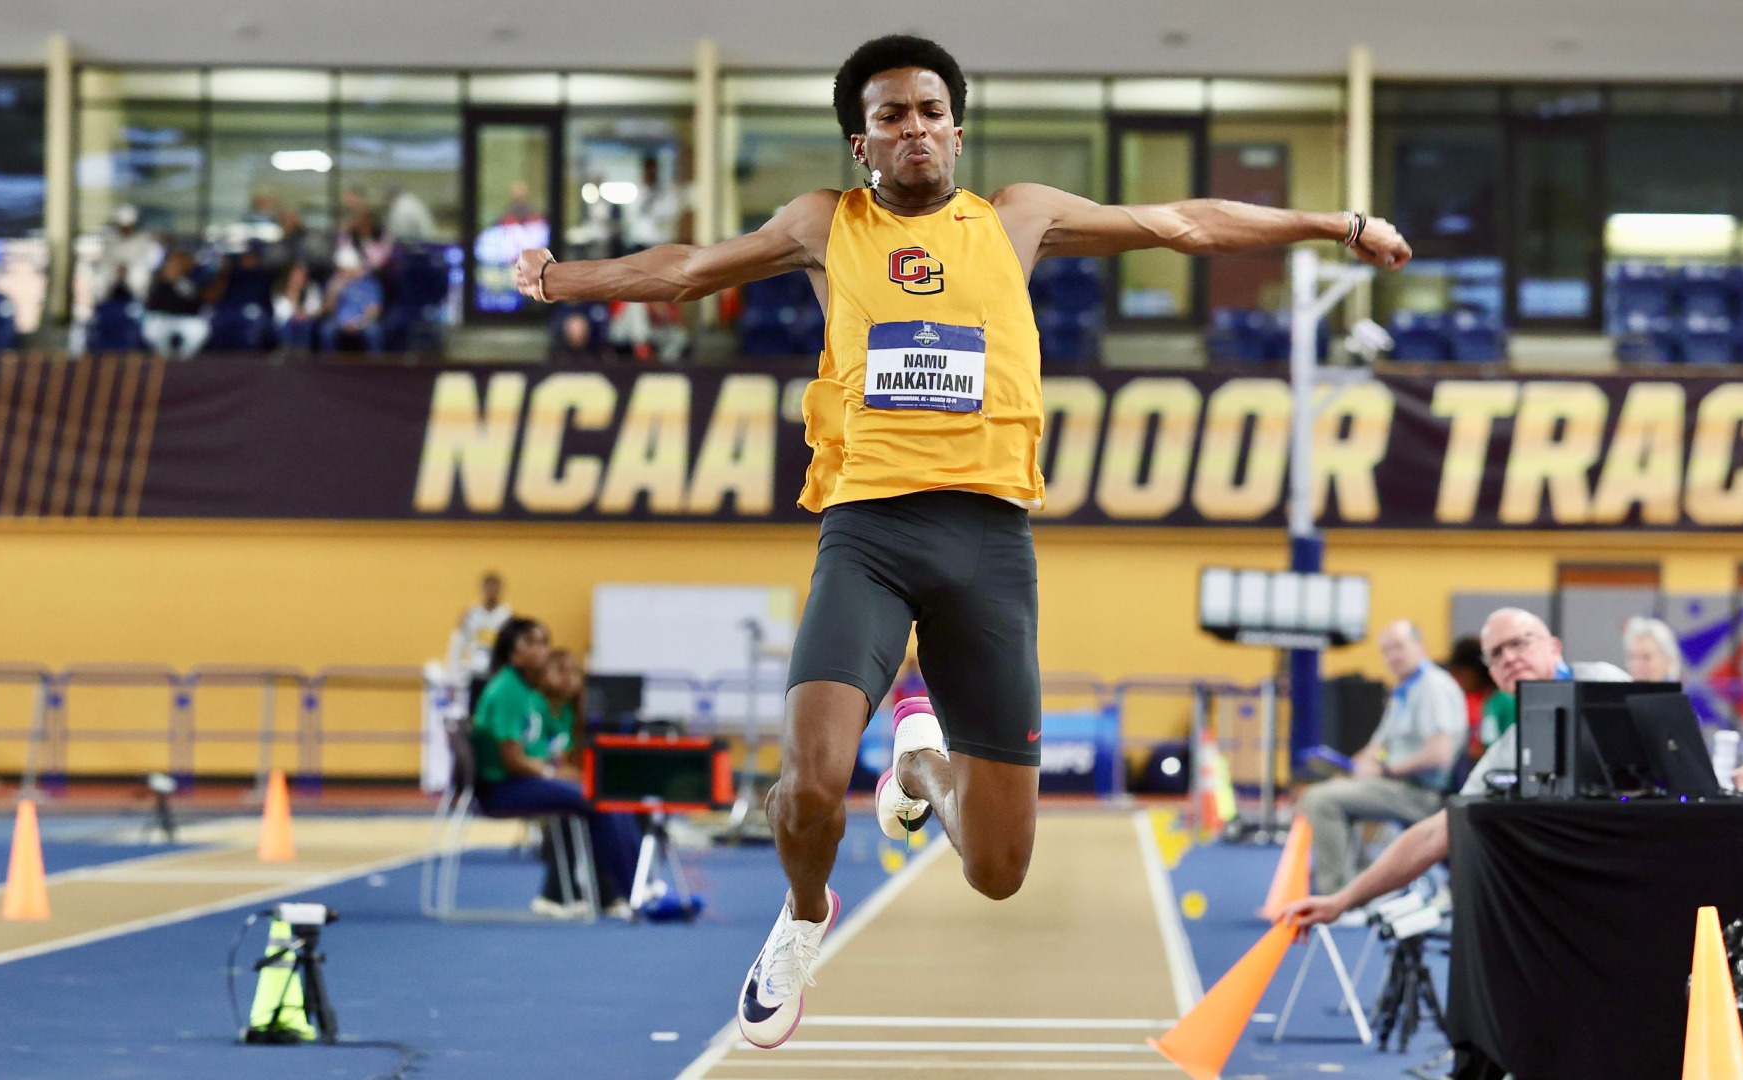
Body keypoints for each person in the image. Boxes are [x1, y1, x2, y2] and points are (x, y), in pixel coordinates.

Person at [512, 33, 1411, 1048]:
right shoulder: (824, 224)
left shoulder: (1020, 217)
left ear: (956, 127)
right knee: (807, 785)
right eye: (892, 116)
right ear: (863, 144)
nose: (914, 128)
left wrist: (1340, 223)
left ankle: (920, 765)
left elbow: (1189, 222)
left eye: (930, 111)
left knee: (996, 869)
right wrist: (560, 279)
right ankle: (805, 917)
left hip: (990, 547)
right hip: (868, 534)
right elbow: (683, 272)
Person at [1280, 608, 1628, 926]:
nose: (1508, 658)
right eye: (1495, 654)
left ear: (1553, 647)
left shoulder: (1603, 681)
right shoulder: (1508, 749)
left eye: (1518, 644)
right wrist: (1343, 900)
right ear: (1491, 672)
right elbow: (1435, 832)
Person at [469, 617, 640, 918]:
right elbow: (512, 758)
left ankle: (630, 888)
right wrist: (553, 774)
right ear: (512, 653)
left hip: (522, 782)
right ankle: (630, 892)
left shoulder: (523, 690)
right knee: (593, 798)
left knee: (602, 794)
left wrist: (557, 770)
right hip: (501, 789)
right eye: (530, 642)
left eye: (544, 641)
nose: (541, 649)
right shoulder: (507, 689)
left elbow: (543, 752)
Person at [1297, 621, 1466, 898]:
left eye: (1399, 647)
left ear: (1420, 646)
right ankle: (1363, 889)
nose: (1393, 656)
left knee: (1321, 800)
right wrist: (1355, 767)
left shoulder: (1433, 687)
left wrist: (1384, 771)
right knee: (1329, 793)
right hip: (1396, 786)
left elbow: (1439, 754)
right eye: (1386, 651)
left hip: (1421, 793)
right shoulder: (1403, 691)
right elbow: (1376, 746)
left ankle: (1337, 896)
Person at [447, 571, 512, 715]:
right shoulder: (471, 613)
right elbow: (458, 643)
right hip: (475, 673)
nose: (492, 592)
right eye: (488, 587)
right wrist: (454, 672)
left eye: (495, 588)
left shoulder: (507, 615)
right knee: (475, 714)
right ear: (482, 589)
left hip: (496, 674)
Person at [1622, 615, 1684, 682]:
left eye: (1646, 657)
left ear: (1668, 661)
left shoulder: (1685, 691)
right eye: (1632, 656)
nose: (1637, 665)